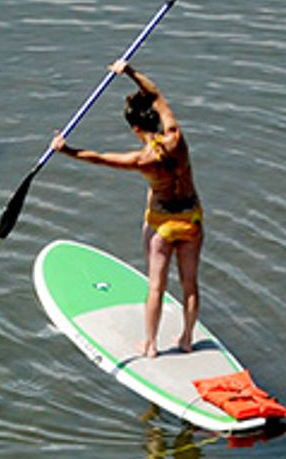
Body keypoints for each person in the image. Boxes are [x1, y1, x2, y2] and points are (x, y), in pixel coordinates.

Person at [51, 60, 203, 359]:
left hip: (162, 224)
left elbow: (98, 158)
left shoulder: (141, 160)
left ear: (135, 128)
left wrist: (65, 149)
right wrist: (130, 72)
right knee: (189, 283)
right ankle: (187, 339)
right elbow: (156, 95)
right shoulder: (176, 136)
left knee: (156, 287)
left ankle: (151, 345)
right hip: (192, 219)